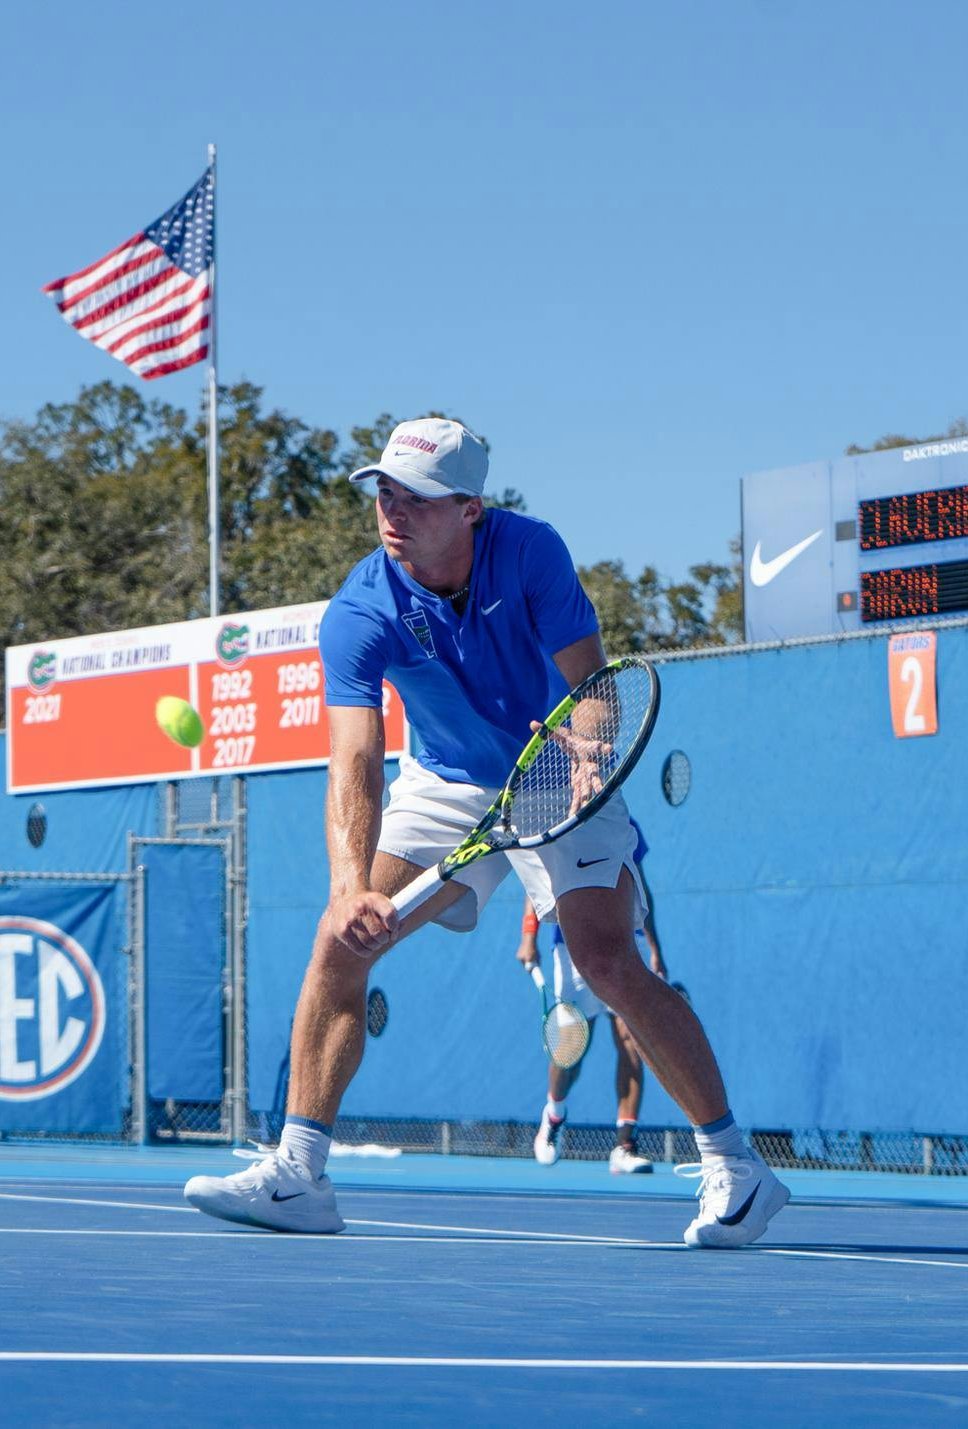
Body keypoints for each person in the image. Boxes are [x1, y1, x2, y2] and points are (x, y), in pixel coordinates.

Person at [184, 417, 787, 1248]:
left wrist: (592, 741)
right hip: (448, 781)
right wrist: (348, 884)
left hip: (555, 768)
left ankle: (738, 1170)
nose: (393, 512)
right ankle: (298, 1175)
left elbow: (596, 684)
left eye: (418, 499)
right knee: (339, 941)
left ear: (471, 507)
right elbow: (354, 759)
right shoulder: (360, 609)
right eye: (384, 493)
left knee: (608, 960)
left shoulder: (532, 552)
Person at [517, 819, 667, 1174]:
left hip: (623, 946)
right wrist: (527, 937)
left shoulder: (624, 824)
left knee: (632, 1041)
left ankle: (625, 1145)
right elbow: (534, 885)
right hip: (571, 950)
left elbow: (641, 887)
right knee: (570, 1052)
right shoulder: (558, 823)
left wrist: (656, 949)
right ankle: (554, 1113)